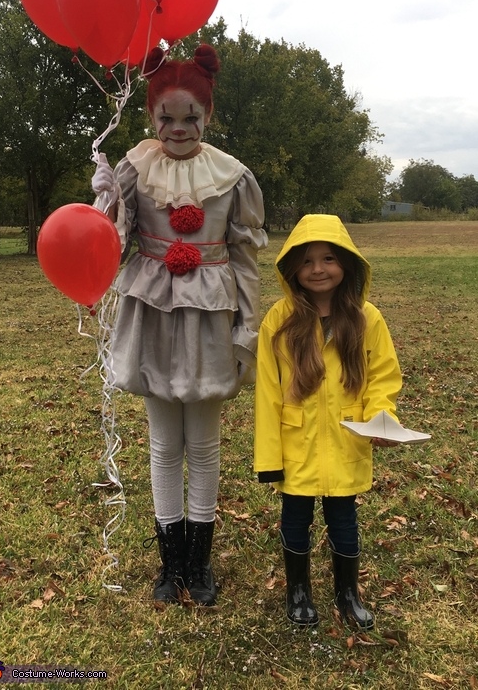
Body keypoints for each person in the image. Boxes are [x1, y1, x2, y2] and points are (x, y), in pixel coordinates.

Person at [92, 44, 267, 607]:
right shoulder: (135, 168)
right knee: (164, 442)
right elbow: (111, 245)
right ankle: (170, 563)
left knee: (205, 443)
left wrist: (247, 326)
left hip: (211, 321)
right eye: (165, 116)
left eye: (191, 116)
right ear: (151, 116)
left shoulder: (231, 176)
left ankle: (200, 561)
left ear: (208, 115)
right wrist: (105, 206)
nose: (178, 127)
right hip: (153, 317)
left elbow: (243, 256)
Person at [254, 214, 402, 629]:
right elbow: (267, 393)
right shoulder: (278, 321)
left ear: (348, 264)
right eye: (306, 261)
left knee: (344, 519)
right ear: (292, 269)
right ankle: (297, 590)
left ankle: (347, 592)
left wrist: (380, 418)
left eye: (329, 259)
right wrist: (269, 457)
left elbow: (382, 377)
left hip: (345, 442)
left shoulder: (366, 318)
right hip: (295, 444)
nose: (318, 270)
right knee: (295, 519)